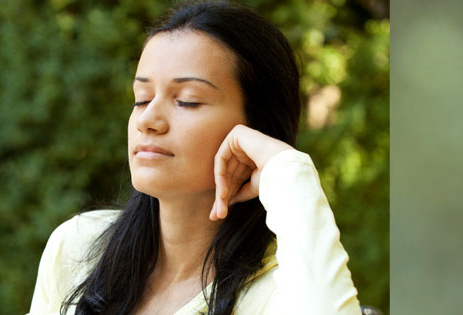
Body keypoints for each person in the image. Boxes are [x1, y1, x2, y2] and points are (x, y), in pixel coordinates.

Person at [28, 1, 361, 314]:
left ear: (256, 128)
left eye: (187, 101)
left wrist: (287, 170)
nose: (148, 120)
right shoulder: (78, 248)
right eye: (142, 99)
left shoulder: (285, 286)